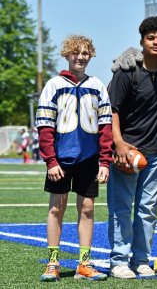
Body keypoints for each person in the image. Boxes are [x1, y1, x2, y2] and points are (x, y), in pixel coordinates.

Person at [36, 35, 112, 282]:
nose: (80, 57)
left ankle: (84, 262)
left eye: (85, 53)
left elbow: (105, 126)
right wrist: (50, 160)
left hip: (89, 158)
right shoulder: (53, 85)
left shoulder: (98, 85)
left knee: (88, 208)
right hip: (61, 158)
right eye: (76, 53)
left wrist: (104, 161)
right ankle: (53, 262)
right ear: (67, 55)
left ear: (91, 56)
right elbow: (45, 126)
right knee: (57, 207)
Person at [107, 16, 157, 279]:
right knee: (122, 208)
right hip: (128, 151)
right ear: (142, 41)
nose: (156, 41)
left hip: (156, 152)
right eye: (151, 37)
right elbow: (112, 110)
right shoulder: (128, 71)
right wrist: (119, 143)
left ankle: (141, 259)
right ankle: (118, 261)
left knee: (148, 209)